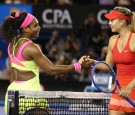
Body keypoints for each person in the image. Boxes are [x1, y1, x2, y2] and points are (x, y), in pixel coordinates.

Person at [0, 12, 91, 114]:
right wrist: (78, 66)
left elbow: (12, 75)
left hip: (12, 93)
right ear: (26, 29)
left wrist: (15, 93)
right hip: (30, 96)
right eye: (35, 26)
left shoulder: (12, 43)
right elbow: (51, 70)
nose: (39, 28)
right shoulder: (32, 48)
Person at [87, 6, 135, 115]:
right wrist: (92, 63)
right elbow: (107, 66)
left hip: (133, 89)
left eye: (112, 20)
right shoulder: (112, 40)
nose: (109, 23)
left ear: (122, 21)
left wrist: (129, 86)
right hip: (118, 91)